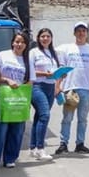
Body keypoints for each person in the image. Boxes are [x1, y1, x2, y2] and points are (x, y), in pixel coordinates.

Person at [0, 31, 35, 169]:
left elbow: (30, 81)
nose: (19, 44)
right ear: (12, 42)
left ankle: (10, 158)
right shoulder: (2, 56)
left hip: (19, 100)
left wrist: (23, 93)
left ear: (26, 45)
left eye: (22, 42)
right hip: (3, 97)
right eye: (17, 41)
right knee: (0, 130)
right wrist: (7, 80)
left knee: (17, 131)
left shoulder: (28, 60)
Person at [55, 21, 89, 154]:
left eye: (83, 31)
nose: (81, 33)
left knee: (83, 119)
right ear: (74, 33)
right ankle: (63, 144)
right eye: (78, 31)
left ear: (87, 33)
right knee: (67, 118)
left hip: (85, 88)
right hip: (70, 88)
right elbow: (61, 67)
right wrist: (59, 85)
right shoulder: (66, 48)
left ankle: (80, 143)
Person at [28, 28, 61, 161]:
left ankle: (33, 148)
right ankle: (41, 148)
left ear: (51, 38)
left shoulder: (54, 53)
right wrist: (45, 74)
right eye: (43, 36)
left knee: (39, 117)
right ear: (38, 38)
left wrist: (59, 75)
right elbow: (30, 71)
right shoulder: (33, 52)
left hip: (50, 86)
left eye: (48, 36)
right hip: (37, 86)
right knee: (45, 115)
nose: (45, 39)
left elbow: (56, 71)